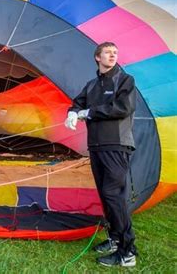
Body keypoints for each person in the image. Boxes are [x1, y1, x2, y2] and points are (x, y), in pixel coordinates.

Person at [64, 41, 138, 267]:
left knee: (113, 195)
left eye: (115, 52)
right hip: (96, 147)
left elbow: (123, 107)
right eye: (108, 52)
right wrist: (72, 113)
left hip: (116, 144)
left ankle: (128, 252)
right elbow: (77, 103)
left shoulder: (125, 80)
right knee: (106, 196)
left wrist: (90, 112)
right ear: (98, 57)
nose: (113, 55)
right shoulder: (92, 85)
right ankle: (115, 239)